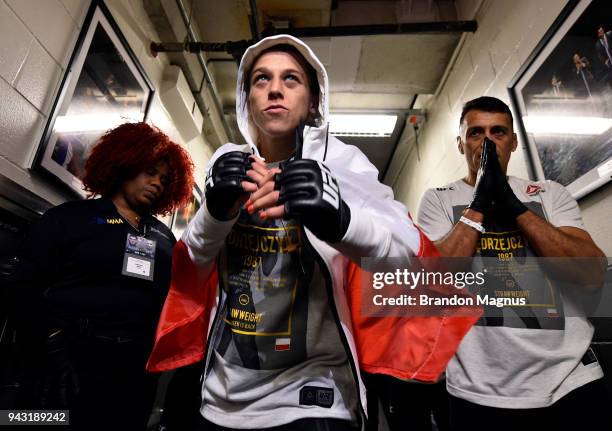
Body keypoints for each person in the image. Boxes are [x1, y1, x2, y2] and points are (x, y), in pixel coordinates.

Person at [146, 34, 429, 430]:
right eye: (261, 79)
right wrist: (215, 211)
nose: (275, 89)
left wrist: (341, 220)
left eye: (291, 79)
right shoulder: (227, 160)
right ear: (247, 99)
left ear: (313, 101)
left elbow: (409, 259)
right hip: (221, 396)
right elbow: (191, 262)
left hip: (315, 397)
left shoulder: (344, 163)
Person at [417, 96, 609, 430]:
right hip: (479, 389)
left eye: (498, 132)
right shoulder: (439, 199)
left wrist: (513, 205)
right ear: (461, 144)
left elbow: (591, 274)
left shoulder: (549, 193)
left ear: (514, 142)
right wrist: (479, 204)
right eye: (476, 133)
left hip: (570, 379)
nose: (487, 142)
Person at [5, 122, 194, 430]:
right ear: (126, 163)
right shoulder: (70, 219)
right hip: (70, 359)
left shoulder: (163, 238)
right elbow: (22, 287)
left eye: (164, 179)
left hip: (133, 372)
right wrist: (51, 346)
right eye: (150, 171)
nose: (157, 183)